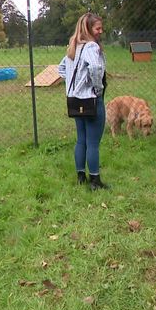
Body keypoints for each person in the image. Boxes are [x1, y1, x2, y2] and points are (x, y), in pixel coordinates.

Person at [58, 12, 109, 190]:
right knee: (93, 142)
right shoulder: (91, 47)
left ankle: (81, 176)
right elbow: (95, 67)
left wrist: (74, 86)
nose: (101, 31)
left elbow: (61, 68)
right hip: (92, 100)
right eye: (97, 28)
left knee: (81, 140)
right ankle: (95, 180)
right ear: (88, 29)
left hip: (75, 100)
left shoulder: (74, 46)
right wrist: (97, 88)